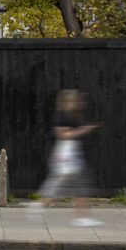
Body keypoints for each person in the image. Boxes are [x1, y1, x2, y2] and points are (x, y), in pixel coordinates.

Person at [29, 89, 102, 227]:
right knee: (63, 185)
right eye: (75, 100)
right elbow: (63, 135)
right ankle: (40, 205)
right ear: (68, 101)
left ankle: (81, 216)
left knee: (78, 184)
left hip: (73, 152)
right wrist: (84, 129)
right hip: (66, 152)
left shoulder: (73, 115)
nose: (78, 102)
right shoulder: (61, 116)